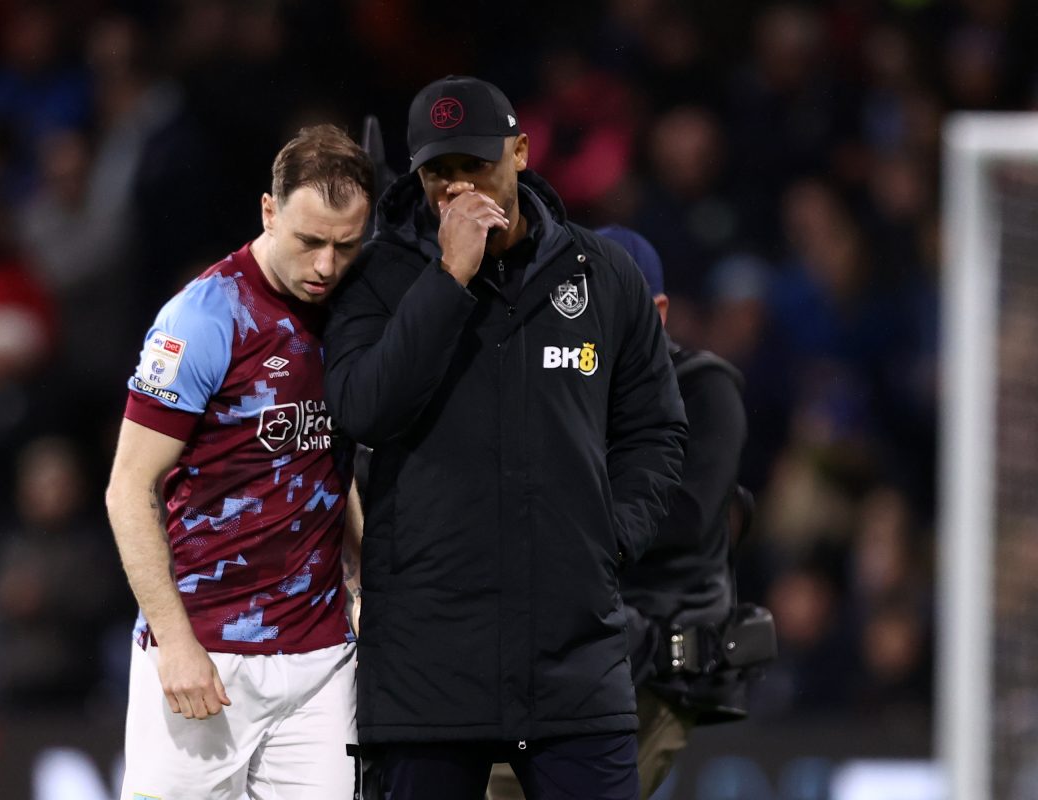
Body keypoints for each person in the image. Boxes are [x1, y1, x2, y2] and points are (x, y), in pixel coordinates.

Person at [324, 75, 688, 800]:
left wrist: (607, 539)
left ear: (519, 153)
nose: (455, 188)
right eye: (437, 172)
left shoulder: (600, 274)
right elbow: (364, 408)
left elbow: (656, 430)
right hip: (428, 670)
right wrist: (448, 276)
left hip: (573, 664)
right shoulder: (377, 279)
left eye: (474, 165)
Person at [104, 124, 374, 800]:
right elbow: (128, 488)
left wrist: (366, 586)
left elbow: (334, 461)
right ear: (268, 211)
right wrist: (175, 643)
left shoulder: (354, 311)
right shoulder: (203, 317)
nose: (325, 266)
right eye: (309, 241)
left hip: (320, 660)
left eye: (346, 245)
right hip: (208, 652)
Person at [597, 226, 772, 799]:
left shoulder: (703, 389)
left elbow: (681, 519)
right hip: (566, 663)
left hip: (655, 672)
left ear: (659, 311)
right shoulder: (553, 396)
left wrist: (555, 517)